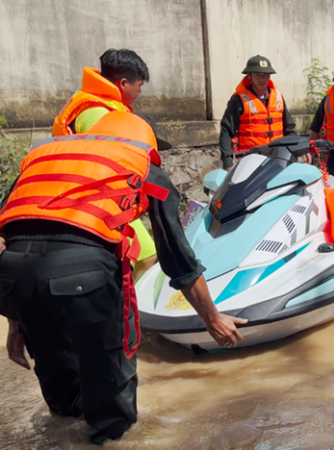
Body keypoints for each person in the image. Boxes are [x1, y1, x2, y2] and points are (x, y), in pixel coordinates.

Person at [0, 112, 247, 445]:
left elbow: (11, 231)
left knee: (62, 397)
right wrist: (212, 319)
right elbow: (177, 258)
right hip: (82, 277)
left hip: (11, 278)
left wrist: (18, 320)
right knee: (110, 401)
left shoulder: (44, 157)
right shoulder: (143, 165)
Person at [52, 48, 159, 276]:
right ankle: (127, 309)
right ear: (123, 83)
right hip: (96, 198)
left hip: (98, 196)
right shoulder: (95, 112)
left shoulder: (99, 107)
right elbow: (108, 160)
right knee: (147, 256)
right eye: (139, 85)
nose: (139, 92)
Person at [219, 55, 299, 171]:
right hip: (250, 160)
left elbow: (289, 128)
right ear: (249, 76)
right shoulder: (238, 101)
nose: (262, 79)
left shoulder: (278, 98)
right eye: (258, 75)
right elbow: (226, 131)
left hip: (277, 159)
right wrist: (227, 163)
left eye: (265, 75)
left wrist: (298, 149)